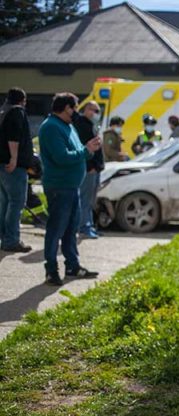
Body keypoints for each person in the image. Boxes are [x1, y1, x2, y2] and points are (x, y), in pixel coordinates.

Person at [38, 92, 102, 286]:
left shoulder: (67, 126)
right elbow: (62, 157)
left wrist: (89, 150)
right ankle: (51, 269)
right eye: (73, 107)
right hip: (59, 187)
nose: (75, 111)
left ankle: (72, 266)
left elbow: (78, 153)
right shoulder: (50, 127)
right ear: (65, 107)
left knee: (71, 229)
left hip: (71, 186)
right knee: (56, 229)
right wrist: (86, 150)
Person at [0, 87, 35, 252]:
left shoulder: (3, 111)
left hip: (2, 164)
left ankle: (4, 237)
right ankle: (11, 240)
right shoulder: (17, 112)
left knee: (5, 202)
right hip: (12, 166)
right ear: (23, 100)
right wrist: (14, 159)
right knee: (16, 202)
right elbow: (13, 138)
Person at [73, 101, 104, 239]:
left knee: (90, 199)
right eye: (93, 110)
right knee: (85, 199)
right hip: (89, 168)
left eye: (98, 111)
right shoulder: (81, 125)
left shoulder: (91, 125)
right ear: (85, 109)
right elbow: (84, 148)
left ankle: (89, 225)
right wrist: (90, 166)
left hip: (95, 168)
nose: (96, 114)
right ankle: (84, 227)